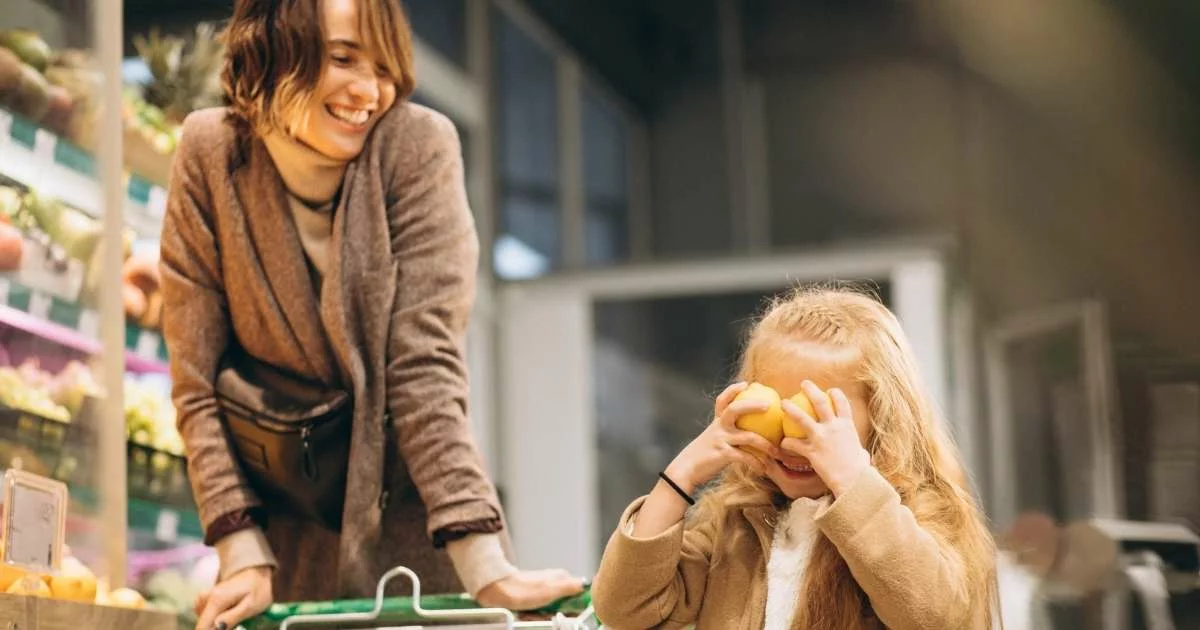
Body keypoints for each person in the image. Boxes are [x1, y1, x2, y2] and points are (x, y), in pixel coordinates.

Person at [159, 1, 583, 628]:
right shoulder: (211, 152)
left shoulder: (416, 146)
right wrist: (241, 549)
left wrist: (487, 564)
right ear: (273, 45)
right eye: (342, 57)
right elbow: (196, 382)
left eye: (385, 66)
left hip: (422, 536)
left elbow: (424, 368)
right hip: (285, 544)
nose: (370, 91)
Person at [591, 287, 997, 629]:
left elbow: (933, 617)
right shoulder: (734, 522)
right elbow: (625, 609)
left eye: (818, 420)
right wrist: (681, 476)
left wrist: (853, 483)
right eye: (776, 415)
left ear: (883, 420)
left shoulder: (921, 515)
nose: (793, 441)